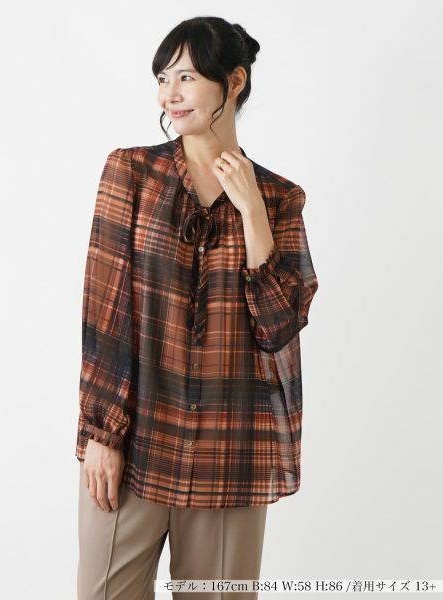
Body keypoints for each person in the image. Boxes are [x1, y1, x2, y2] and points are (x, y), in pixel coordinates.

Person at [75, 16, 319, 600]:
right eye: (163, 78)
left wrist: (252, 212)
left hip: (231, 451)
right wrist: (102, 433)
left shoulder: (279, 198)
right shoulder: (131, 173)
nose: (170, 94)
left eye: (186, 77)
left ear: (233, 81)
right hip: (134, 441)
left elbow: (280, 326)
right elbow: (104, 312)